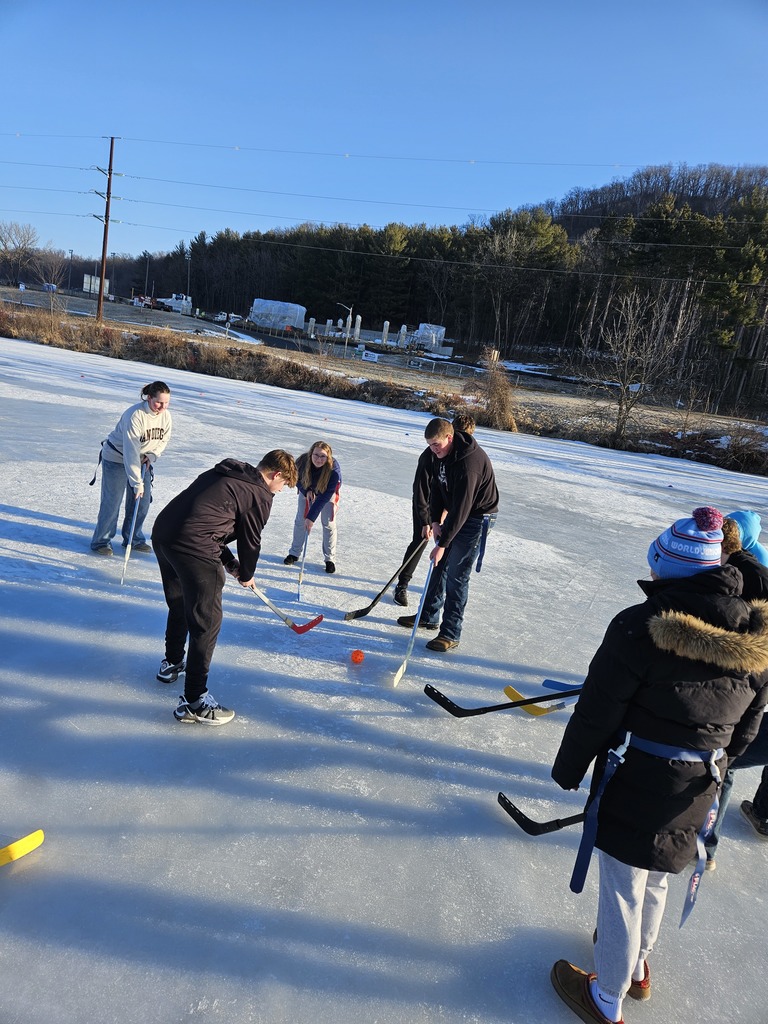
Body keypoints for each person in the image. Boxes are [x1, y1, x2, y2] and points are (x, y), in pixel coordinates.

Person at [549, 507, 768, 1024]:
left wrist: (569, 767)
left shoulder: (638, 627)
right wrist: (717, 765)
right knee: (658, 875)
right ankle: (639, 966)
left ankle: (606, 999)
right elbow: (751, 724)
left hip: (639, 775)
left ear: (669, 570)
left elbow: (598, 708)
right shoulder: (757, 636)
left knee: (625, 883)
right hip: (701, 786)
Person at [152, 451, 297, 726]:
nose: (280, 491)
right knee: (207, 622)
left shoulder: (228, 474)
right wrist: (247, 573)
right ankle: (194, 701)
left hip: (164, 534)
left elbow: (209, 520)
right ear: (276, 474)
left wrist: (231, 563)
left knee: (182, 603)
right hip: (193, 547)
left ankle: (172, 662)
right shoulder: (259, 493)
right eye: (283, 486)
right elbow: (251, 541)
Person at [397, 417, 498, 652]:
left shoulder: (468, 464)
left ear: (449, 438)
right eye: (430, 445)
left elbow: (463, 508)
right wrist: (433, 520)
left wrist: (442, 543)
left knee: (457, 574)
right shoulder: (438, 456)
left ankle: (451, 633)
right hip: (458, 512)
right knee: (439, 566)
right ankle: (429, 615)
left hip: (478, 518)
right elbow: (437, 490)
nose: (433, 450)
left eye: (436, 445)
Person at [705, 513, 768, 864]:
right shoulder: (742, 566)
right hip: (747, 683)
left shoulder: (750, 576)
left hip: (750, 683)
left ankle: (706, 847)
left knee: (723, 759)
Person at [394, 413, 476, 608]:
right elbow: (421, 489)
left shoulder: (463, 455)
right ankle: (402, 584)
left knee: (446, 547)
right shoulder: (430, 455)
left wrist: (445, 515)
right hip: (426, 504)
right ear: (450, 434)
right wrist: (426, 520)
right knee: (421, 541)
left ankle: (435, 594)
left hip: (449, 507)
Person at [90, 381, 172, 556]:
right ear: (149, 398)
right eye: (159, 402)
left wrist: (152, 455)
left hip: (142, 460)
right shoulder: (135, 415)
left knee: (142, 502)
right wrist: (137, 483)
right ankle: (101, 541)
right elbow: (130, 451)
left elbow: (164, 440)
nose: (162, 407)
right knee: (112, 502)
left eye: (166, 403)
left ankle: (133, 538)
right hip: (116, 458)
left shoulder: (166, 416)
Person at [283, 440, 341, 574]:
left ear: (328, 457)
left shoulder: (334, 470)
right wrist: (306, 490)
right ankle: (294, 553)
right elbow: (294, 479)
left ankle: (329, 559)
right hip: (307, 490)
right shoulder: (302, 462)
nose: (319, 459)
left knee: (328, 524)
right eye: (316, 455)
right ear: (311, 454)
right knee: (300, 521)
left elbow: (325, 497)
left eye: (323, 456)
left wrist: (311, 517)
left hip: (327, 494)